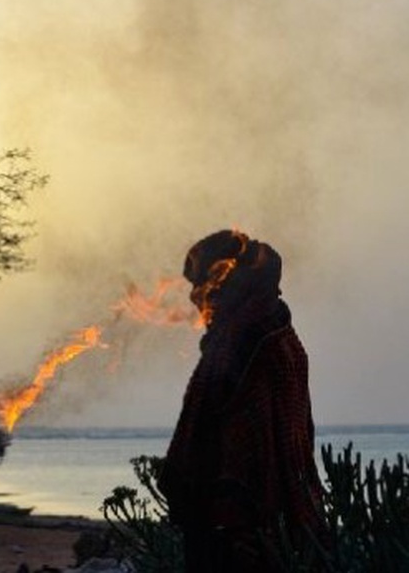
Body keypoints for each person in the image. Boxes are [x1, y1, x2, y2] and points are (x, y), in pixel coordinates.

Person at [161, 230, 329, 572]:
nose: (197, 298)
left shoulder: (238, 343)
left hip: (239, 528)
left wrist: (182, 491)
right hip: (288, 522)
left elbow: (193, 444)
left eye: (201, 284)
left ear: (225, 282)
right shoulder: (284, 337)